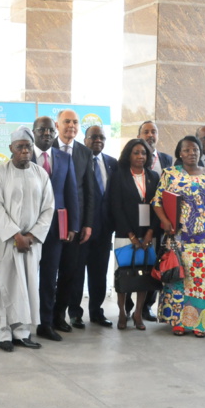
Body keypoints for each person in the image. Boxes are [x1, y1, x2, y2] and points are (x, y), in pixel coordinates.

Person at [0, 127, 54, 351]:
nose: (25, 151)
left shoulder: (40, 174)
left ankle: (22, 332)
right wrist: (16, 235)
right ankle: (3, 334)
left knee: (27, 286)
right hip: (6, 242)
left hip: (31, 244)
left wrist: (31, 236)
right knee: (4, 286)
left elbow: (49, 208)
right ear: (11, 149)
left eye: (28, 146)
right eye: (20, 147)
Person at [151, 135, 205, 337]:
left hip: (202, 238)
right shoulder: (170, 174)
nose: (191, 153)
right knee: (177, 277)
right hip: (176, 236)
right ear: (180, 153)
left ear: (200, 152)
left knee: (199, 280)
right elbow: (157, 201)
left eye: (195, 149)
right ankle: (177, 321)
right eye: (186, 150)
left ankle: (198, 323)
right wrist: (165, 221)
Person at [31, 116, 78, 342]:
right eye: (42, 130)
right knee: (26, 277)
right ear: (34, 132)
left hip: (55, 229)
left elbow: (71, 194)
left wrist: (73, 225)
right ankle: (20, 322)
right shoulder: (23, 154)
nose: (47, 134)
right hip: (27, 229)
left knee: (49, 277)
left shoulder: (64, 158)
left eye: (51, 130)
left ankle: (45, 323)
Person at [109, 138, 160, 331]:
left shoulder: (154, 176)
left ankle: (138, 313)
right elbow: (116, 206)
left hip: (148, 234)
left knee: (144, 273)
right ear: (128, 155)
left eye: (144, 153)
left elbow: (158, 206)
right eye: (136, 152)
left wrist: (150, 233)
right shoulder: (118, 175)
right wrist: (131, 235)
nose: (140, 156)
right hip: (125, 233)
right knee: (123, 274)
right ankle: (122, 312)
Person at [52, 109, 96, 333]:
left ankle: (60, 315)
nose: (71, 125)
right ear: (57, 125)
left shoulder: (84, 153)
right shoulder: (45, 148)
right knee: (47, 273)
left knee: (69, 272)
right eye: (66, 121)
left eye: (75, 122)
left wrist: (86, 223)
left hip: (73, 224)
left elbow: (89, 191)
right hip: (48, 223)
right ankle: (43, 316)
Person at [80, 124, 117, 327]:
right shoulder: (77, 160)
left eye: (102, 137)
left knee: (99, 274)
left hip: (104, 230)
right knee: (76, 274)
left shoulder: (112, 163)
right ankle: (75, 313)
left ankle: (96, 311)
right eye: (93, 137)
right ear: (85, 139)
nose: (98, 141)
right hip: (82, 229)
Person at [136, 120, 172, 322]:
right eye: (146, 131)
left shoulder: (167, 159)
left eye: (154, 131)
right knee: (133, 261)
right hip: (137, 219)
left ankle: (147, 306)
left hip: (161, 220)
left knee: (155, 262)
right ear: (140, 134)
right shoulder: (133, 158)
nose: (151, 135)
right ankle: (132, 305)